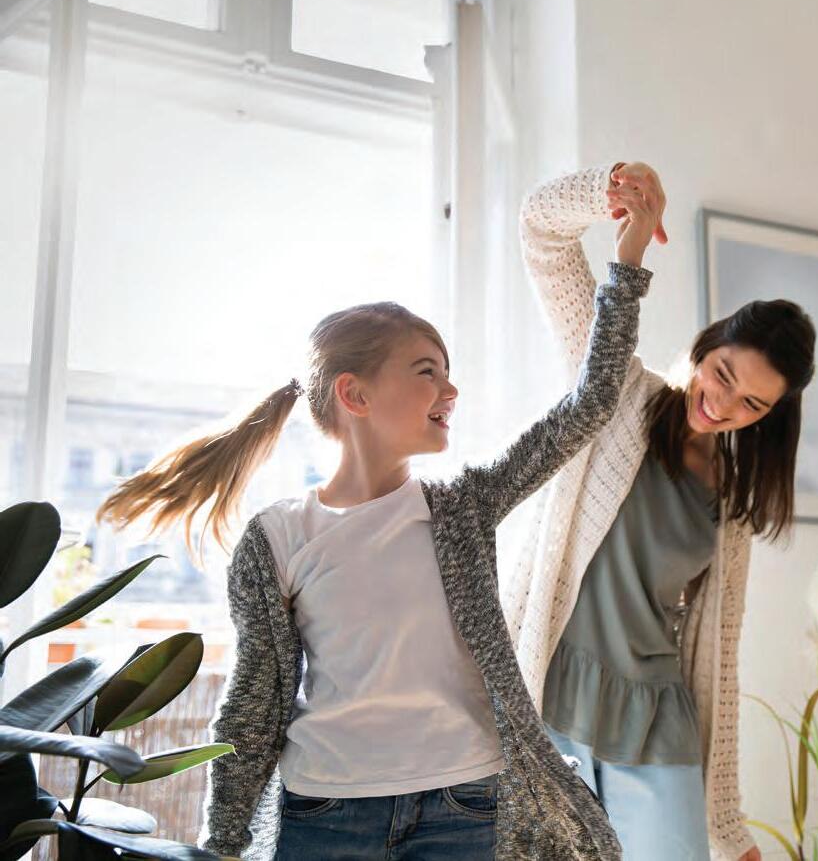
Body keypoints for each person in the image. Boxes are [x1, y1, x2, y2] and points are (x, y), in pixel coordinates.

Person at [95, 166, 667, 860]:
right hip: (324, 813)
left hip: (467, 805)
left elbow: (590, 405)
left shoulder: (461, 509)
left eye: (448, 372)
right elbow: (255, 704)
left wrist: (628, 261)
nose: (451, 389)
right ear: (355, 395)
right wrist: (222, 843)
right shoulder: (278, 538)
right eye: (428, 371)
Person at [505, 162, 816, 860]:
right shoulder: (614, 389)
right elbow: (541, 233)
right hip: (552, 694)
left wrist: (727, 826)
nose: (725, 404)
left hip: (655, 720)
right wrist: (616, 198)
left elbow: (717, 653)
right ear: (705, 349)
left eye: (752, 403)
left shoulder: (732, 501)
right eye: (723, 374)